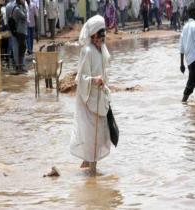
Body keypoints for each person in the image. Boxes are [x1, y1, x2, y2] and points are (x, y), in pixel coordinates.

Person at [70, 15, 112, 175]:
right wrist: (94, 80)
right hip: (88, 100)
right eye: (100, 36)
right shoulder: (87, 51)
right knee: (91, 137)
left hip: (100, 99)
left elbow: (105, 72)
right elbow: (80, 78)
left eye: (103, 36)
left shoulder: (101, 50)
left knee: (99, 136)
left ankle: (88, 166)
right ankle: (92, 174)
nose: (102, 39)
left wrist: (104, 84)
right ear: (93, 35)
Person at [13, 0, 28, 73]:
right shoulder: (17, 9)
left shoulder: (19, 8)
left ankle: (21, 66)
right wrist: (25, 6)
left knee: (22, 48)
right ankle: (19, 67)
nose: (24, 1)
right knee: (21, 49)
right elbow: (25, 16)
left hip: (22, 31)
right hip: (20, 31)